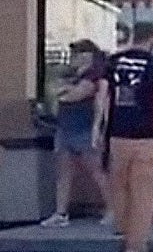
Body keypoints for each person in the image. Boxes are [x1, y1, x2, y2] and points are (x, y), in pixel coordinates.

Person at [96, 22, 153, 252]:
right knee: (143, 194)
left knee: (119, 189)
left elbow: (103, 96)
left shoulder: (113, 62)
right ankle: (136, 248)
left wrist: (98, 128)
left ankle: (124, 234)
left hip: (116, 136)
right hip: (144, 137)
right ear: (152, 40)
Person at [41, 40, 114, 229]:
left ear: (87, 56)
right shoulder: (72, 76)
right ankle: (60, 213)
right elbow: (54, 93)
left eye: (77, 54)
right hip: (65, 128)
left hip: (84, 129)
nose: (72, 58)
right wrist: (63, 90)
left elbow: (75, 95)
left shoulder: (95, 75)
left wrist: (64, 91)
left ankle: (113, 209)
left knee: (96, 171)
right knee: (63, 173)